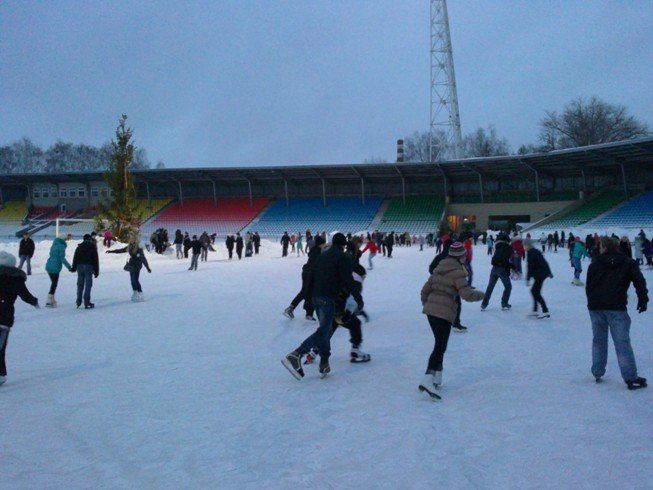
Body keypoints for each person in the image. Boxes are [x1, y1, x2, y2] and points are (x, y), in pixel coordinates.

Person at [282, 233, 353, 380]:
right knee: (324, 331)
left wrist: (308, 297)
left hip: (316, 297)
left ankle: (324, 362)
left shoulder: (322, 256)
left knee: (324, 330)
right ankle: (297, 354)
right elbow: (348, 280)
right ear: (343, 245)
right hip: (327, 298)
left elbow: (311, 275)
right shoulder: (341, 257)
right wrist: (358, 298)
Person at [419, 242, 484, 400]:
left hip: (430, 312)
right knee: (440, 346)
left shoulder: (439, 268)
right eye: (464, 255)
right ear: (460, 256)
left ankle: (437, 377)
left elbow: (425, 290)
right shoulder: (458, 272)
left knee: (439, 343)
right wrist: (482, 295)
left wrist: (428, 304)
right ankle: (428, 379)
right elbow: (466, 295)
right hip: (443, 312)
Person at [586, 236, 648, 390]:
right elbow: (639, 281)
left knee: (599, 340)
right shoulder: (628, 263)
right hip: (616, 307)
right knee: (622, 343)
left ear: (605, 247)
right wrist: (643, 299)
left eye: (601, 246)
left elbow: (589, 285)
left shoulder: (595, 263)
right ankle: (630, 377)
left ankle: (597, 371)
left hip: (596, 307)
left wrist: (592, 303)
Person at [0, 251, 39, 386]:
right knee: (1, 347)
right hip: (5, 316)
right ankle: (1, 374)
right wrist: (34, 301)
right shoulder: (15, 278)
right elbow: (25, 294)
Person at [284, 235, 326, 321]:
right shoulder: (317, 252)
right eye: (323, 244)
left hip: (307, 272)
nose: (324, 246)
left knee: (309, 293)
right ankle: (291, 308)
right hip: (309, 274)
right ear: (320, 244)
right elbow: (316, 265)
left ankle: (309, 313)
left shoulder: (316, 250)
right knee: (305, 292)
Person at [106, 235, 151, 301]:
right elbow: (121, 250)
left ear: (136, 240)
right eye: (131, 239)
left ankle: (140, 293)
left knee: (135, 280)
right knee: (132, 280)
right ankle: (135, 292)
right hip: (131, 265)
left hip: (137, 265)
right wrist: (111, 251)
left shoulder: (139, 248)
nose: (132, 240)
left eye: (133, 239)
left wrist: (147, 267)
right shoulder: (129, 247)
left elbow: (143, 258)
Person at [480, 232, 513, 311]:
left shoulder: (498, 246)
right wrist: (511, 266)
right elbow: (505, 260)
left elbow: (495, 258)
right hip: (502, 269)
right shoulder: (507, 247)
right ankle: (504, 303)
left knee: (490, 287)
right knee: (508, 286)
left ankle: (484, 304)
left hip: (494, 269)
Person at [524, 239, 553, 319]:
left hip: (540, 274)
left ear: (528, 245)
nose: (524, 247)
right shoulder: (535, 251)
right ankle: (535, 310)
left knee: (534, 292)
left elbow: (530, 267)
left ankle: (545, 311)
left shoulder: (530, 253)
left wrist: (528, 278)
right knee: (535, 292)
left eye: (524, 245)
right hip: (542, 273)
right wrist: (549, 272)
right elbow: (544, 262)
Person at [70, 234, 99, 309]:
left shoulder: (79, 247)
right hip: (89, 266)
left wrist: (73, 268)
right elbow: (96, 260)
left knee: (80, 284)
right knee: (88, 284)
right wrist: (96, 271)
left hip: (80, 266)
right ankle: (87, 301)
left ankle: (78, 301)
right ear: (89, 239)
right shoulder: (92, 247)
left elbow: (75, 258)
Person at [45, 234, 73, 307]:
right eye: (67, 239)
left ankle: (52, 300)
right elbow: (62, 259)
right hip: (55, 267)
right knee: (54, 283)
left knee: (53, 283)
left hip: (48, 265)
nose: (67, 240)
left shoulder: (54, 244)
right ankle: (49, 300)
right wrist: (69, 267)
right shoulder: (61, 246)